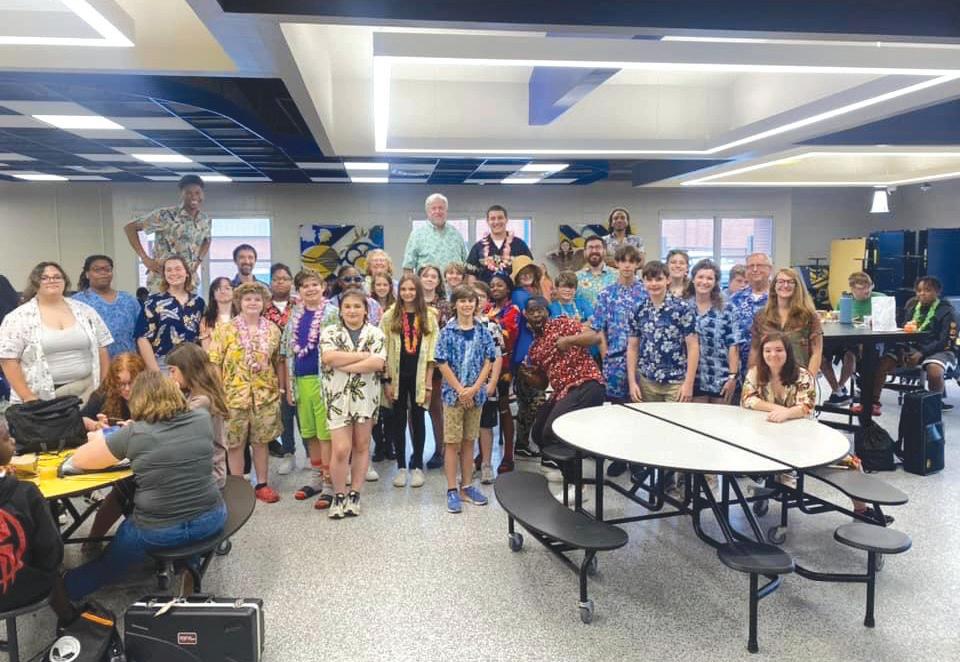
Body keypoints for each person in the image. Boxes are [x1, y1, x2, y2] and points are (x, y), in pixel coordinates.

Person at [61, 371, 226, 601]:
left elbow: (79, 461)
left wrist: (99, 439)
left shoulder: (135, 433)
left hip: (157, 530)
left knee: (109, 564)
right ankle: (188, 566)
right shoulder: (201, 419)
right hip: (211, 518)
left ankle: (65, 590)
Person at [208, 282, 283, 503]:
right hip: (233, 396)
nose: (252, 303)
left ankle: (262, 484)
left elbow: (278, 361)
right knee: (235, 443)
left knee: (261, 442)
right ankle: (238, 486)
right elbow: (214, 363)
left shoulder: (272, 330)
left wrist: (280, 387)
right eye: (248, 299)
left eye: (257, 299)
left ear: (264, 303)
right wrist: (218, 394)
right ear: (239, 302)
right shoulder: (225, 330)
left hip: (265, 396)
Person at [0, 262, 112, 404]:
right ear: (35, 283)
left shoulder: (86, 311)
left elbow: (102, 349)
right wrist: (27, 396)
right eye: (44, 278)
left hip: (88, 391)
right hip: (40, 397)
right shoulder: (18, 317)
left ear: (65, 282)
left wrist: (102, 387)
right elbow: (8, 360)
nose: (52, 280)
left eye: (57, 277)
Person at [319, 290, 387, 519]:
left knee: (361, 445)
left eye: (357, 306)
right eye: (347, 306)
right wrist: (363, 356)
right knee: (340, 449)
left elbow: (377, 363)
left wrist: (344, 364)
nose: (352, 311)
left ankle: (355, 494)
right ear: (340, 310)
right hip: (337, 398)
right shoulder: (330, 332)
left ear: (366, 310)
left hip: (365, 398)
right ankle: (339, 494)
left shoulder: (375, 333)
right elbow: (328, 358)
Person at [522, 297, 605, 478]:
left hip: (586, 383)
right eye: (531, 312)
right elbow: (543, 383)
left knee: (552, 432)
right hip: (562, 391)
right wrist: (529, 376)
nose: (536, 315)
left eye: (540, 310)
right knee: (538, 434)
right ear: (525, 315)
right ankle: (567, 474)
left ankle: (576, 482)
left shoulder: (562, 323)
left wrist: (569, 340)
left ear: (547, 311)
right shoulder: (534, 348)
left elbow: (595, 337)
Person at [434, 286, 496, 514]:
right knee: (452, 443)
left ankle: (466, 486)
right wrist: (461, 390)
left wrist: (475, 389)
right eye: (462, 301)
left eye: (471, 301)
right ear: (455, 304)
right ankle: (452, 488)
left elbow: (489, 360)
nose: (467, 305)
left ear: (476, 304)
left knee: (470, 440)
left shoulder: (483, 331)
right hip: (453, 396)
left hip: (475, 396)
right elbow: (442, 363)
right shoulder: (447, 332)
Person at [0, 415, 65, 616]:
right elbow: (51, 551)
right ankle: (68, 618)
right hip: (24, 589)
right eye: (7, 437)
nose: (13, 440)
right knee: (53, 571)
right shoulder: (26, 492)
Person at [281, 270, 335, 509]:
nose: (310, 289)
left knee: (325, 434)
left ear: (323, 287)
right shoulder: (295, 316)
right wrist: (288, 387)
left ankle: (330, 483)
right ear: (299, 291)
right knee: (309, 432)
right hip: (300, 381)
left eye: (315, 284)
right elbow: (286, 352)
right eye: (305, 286)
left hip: (324, 382)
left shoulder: (332, 314)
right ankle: (316, 478)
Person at [381, 274, 438, 488]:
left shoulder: (429, 316)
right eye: (404, 289)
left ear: (418, 291)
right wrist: (386, 381)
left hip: (419, 377)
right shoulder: (389, 316)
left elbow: (433, 352)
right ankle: (401, 467)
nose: (407, 293)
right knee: (398, 421)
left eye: (412, 289)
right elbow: (382, 350)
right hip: (396, 376)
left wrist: (429, 382)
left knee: (418, 418)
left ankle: (417, 466)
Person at [873, 276, 958, 413]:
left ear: (937, 292)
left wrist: (921, 353)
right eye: (919, 290)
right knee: (883, 363)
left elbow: (945, 341)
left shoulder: (947, 311)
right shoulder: (912, 308)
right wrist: (902, 349)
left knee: (935, 371)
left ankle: (934, 405)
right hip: (912, 347)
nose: (922, 294)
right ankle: (873, 402)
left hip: (940, 350)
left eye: (927, 290)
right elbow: (903, 330)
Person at [627, 260, 699, 403]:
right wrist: (632, 382)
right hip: (647, 380)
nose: (654, 284)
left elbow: (693, 347)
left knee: (675, 417)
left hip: (676, 381)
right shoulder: (638, 310)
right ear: (643, 282)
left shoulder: (682, 308)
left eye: (659, 279)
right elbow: (632, 347)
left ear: (668, 280)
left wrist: (688, 384)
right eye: (649, 280)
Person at [124, 175, 211, 291]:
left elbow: (207, 240)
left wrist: (199, 260)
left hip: (188, 280)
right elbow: (130, 228)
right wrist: (144, 258)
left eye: (197, 193)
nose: (194, 197)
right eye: (189, 193)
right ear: (182, 194)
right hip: (162, 280)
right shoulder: (165, 215)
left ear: (202, 194)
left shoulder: (204, 219)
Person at [591, 245, 647, 410]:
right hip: (614, 362)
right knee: (617, 410)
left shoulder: (646, 292)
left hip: (642, 362)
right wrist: (606, 357)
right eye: (623, 261)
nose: (627, 265)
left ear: (637, 264)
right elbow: (599, 329)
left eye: (631, 261)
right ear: (616, 263)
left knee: (643, 409)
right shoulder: (606, 294)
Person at [166, 343, 229, 490]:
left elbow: (174, 423)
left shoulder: (202, 401)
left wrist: (171, 395)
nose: (170, 377)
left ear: (187, 369)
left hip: (210, 474)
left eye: (172, 371)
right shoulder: (194, 395)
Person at [823, 271, 887, 404]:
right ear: (852, 289)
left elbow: (887, 322)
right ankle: (837, 390)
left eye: (869, 287)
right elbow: (836, 321)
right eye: (861, 288)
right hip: (842, 337)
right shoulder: (845, 302)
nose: (866, 291)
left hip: (865, 340)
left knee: (850, 353)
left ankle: (839, 387)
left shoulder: (880, 299)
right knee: (821, 356)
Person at [750, 268, 823, 380]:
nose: (785, 285)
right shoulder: (761, 316)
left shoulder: (809, 316)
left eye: (790, 282)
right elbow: (755, 349)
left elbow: (816, 352)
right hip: (768, 378)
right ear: (774, 286)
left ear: (797, 286)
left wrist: (809, 380)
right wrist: (753, 377)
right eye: (781, 281)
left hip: (799, 378)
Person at [136, 255, 205, 373]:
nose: (174, 273)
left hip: (193, 365)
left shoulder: (199, 302)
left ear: (187, 273)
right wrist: (156, 372)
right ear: (164, 275)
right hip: (164, 365)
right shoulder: (152, 302)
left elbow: (204, 335)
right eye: (169, 270)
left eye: (178, 269)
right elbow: (142, 338)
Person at [686, 259, 740, 404]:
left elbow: (733, 345)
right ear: (693, 279)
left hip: (721, 377)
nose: (704, 282)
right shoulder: (683, 307)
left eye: (709, 278)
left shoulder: (727, 309)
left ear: (715, 282)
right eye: (700, 277)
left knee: (720, 417)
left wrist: (732, 377)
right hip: (693, 378)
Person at [511, 256, 547, 459]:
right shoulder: (519, 295)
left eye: (529, 272)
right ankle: (523, 442)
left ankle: (523, 442)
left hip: (536, 353)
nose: (526, 276)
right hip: (526, 355)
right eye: (521, 273)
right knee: (533, 401)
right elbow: (533, 317)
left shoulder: (535, 292)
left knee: (530, 401)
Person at [264, 263, 299, 470]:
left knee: (303, 413)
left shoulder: (299, 304)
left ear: (291, 282)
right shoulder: (263, 307)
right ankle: (288, 452)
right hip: (271, 367)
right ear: (270, 282)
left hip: (298, 364)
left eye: (285, 279)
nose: (280, 282)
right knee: (283, 413)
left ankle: (311, 455)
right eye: (276, 279)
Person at [73, 255, 141, 357]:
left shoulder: (128, 299)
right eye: (97, 270)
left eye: (107, 269)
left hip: (128, 361)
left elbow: (141, 334)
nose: (103, 273)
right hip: (93, 361)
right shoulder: (77, 302)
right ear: (87, 274)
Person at [420, 265, 451, 470]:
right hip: (413, 361)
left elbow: (446, 334)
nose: (430, 279)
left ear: (439, 281)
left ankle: (440, 450)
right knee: (413, 409)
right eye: (426, 275)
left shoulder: (445, 305)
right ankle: (417, 450)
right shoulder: (411, 301)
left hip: (436, 362)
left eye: (434, 276)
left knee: (435, 407)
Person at [488, 272, 520, 473]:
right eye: (492, 285)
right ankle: (483, 455)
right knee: (484, 411)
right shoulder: (486, 308)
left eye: (500, 285)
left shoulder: (513, 310)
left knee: (504, 410)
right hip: (485, 367)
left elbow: (507, 334)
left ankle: (508, 455)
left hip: (505, 367)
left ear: (508, 288)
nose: (495, 288)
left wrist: (486, 323)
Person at [472, 281, 504, 484]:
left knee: (485, 425)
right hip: (463, 386)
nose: (476, 301)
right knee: (466, 426)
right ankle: (467, 464)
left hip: (486, 384)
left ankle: (486, 464)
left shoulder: (491, 325)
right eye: (473, 296)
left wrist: (492, 383)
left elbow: (498, 356)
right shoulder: (453, 324)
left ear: (487, 301)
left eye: (481, 297)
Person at [729, 252, 773, 381]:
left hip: (773, 366)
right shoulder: (735, 299)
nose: (754, 269)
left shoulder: (778, 297)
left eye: (759, 265)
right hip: (740, 371)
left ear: (770, 269)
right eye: (750, 266)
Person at [402, 193, 468, 274]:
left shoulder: (456, 235)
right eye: (433, 208)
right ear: (427, 212)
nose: (438, 211)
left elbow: (466, 264)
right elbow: (408, 267)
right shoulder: (417, 235)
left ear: (446, 211)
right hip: (426, 282)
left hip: (454, 282)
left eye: (441, 208)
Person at [370, 272, 397, 463]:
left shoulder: (396, 307)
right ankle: (378, 444)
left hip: (392, 360)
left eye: (384, 284)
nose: (381, 288)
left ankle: (390, 443)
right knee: (375, 408)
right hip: (372, 361)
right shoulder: (368, 305)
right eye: (378, 285)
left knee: (390, 406)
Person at [467, 205, 533, 282]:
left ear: (506, 220)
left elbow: (530, 271)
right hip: (485, 289)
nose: (496, 222)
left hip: (513, 289)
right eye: (492, 218)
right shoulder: (478, 247)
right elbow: (471, 275)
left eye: (500, 218)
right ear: (487, 221)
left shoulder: (520, 245)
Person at [577, 235, 619, 309]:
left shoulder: (618, 276)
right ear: (584, 252)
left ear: (605, 251)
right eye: (590, 247)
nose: (594, 251)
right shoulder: (575, 278)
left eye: (598, 247)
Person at [199, 277, 235, 351]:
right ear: (213, 295)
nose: (223, 291)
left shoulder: (242, 316)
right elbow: (206, 349)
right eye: (218, 289)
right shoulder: (207, 320)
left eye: (227, 288)